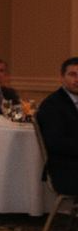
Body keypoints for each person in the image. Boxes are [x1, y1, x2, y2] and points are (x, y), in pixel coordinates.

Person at [36, 56, 78, 195]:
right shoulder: (52, 105)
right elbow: (56, 143)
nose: (77, 79)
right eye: (72, 74)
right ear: (62, 77)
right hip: (66, 169)